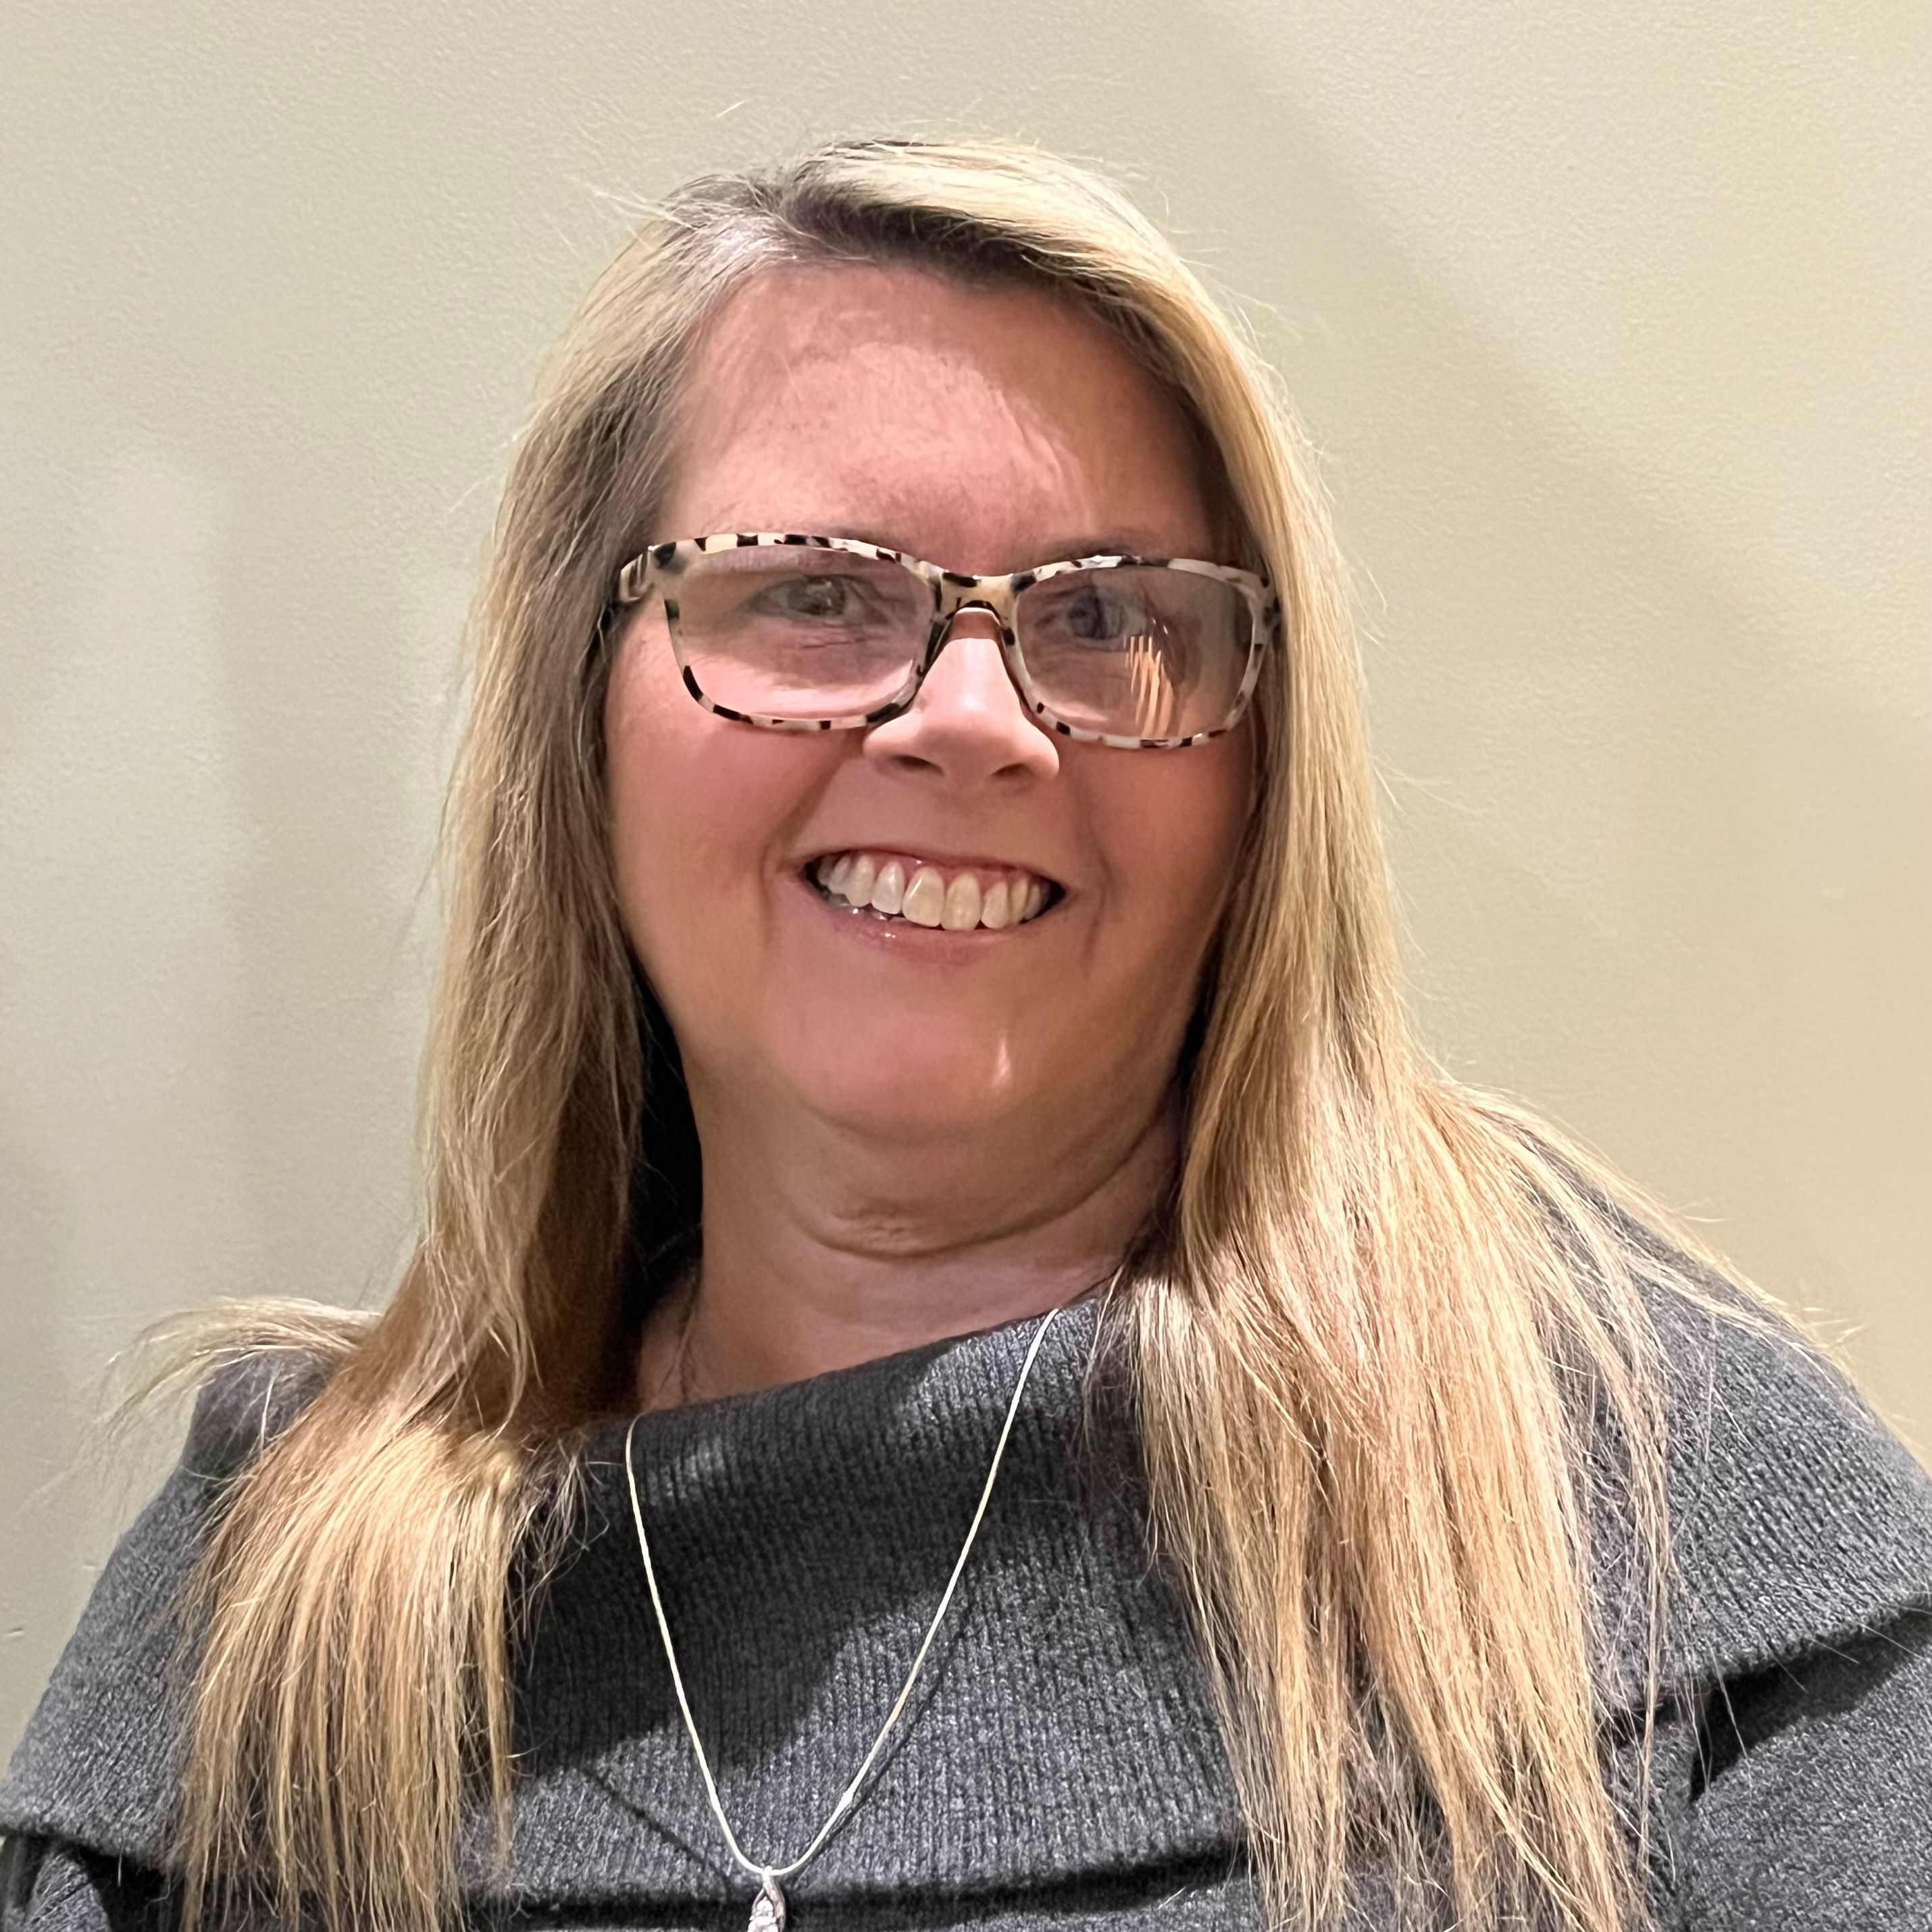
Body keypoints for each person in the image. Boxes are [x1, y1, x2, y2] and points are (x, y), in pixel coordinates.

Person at [3, 138, 1927, 1932]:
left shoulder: (1668, 1531)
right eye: (816, 595)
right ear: (570, 719)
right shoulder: (264, 1623)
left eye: (1106, 619)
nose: (972, 716)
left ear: (1265, 775)